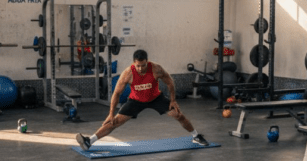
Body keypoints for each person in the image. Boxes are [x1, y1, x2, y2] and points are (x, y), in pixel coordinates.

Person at [75, 49, 209, 150]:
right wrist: (110, 113)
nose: (140, 68)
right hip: (135, 101)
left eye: (143, 65)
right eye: (138, 66)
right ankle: (89, 141)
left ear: (147, 61)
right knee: (113, 122)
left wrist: (173, 100)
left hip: (156, 98)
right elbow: (116, 94)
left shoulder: (156, 68)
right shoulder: (128, 73)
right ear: (134, 63)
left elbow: (170, 82)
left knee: (178, 115)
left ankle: (196, 136)